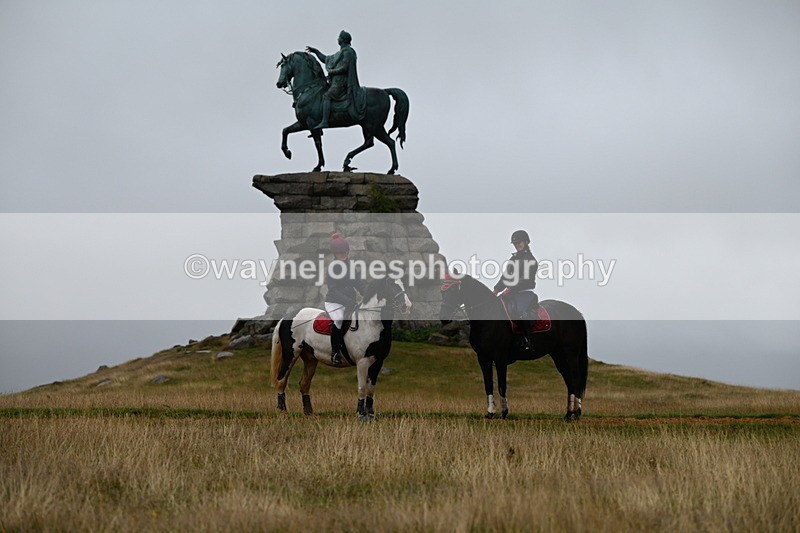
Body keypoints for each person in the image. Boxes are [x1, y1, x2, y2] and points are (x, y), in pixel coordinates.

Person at [305, 30, 366, 129]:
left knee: (327, 96)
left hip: (342, 83)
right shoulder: (339, 53)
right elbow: (326, 59)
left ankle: (325, 121)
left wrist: (332, 72)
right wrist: (316, 51)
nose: (338, 39)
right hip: (336, 82)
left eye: (339, 37)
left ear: (343, 40)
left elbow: (345, 67)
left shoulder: (349, 52)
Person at [324, 233, 366, 365]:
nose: (343, 254)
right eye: (340, 252)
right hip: (334, 302)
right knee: (339, 320)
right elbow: (333, 290)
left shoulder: (351, 267)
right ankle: (335, 352)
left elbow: (359, 284)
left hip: (349, 302)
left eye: (345, 252)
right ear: (335, 254)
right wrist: (348, 302)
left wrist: (369, 294)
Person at [493, 229, 539, 350]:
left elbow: (526, 280)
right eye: (515, 243)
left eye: (519, 242)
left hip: (525, 292)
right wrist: (496, 289)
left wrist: (511, 288)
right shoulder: (513, 259)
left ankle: (529, 341)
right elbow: (505, 277)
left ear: (526, 242)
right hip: (512, 292)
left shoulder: (531, 260)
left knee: (519, 313)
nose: (517, 245)